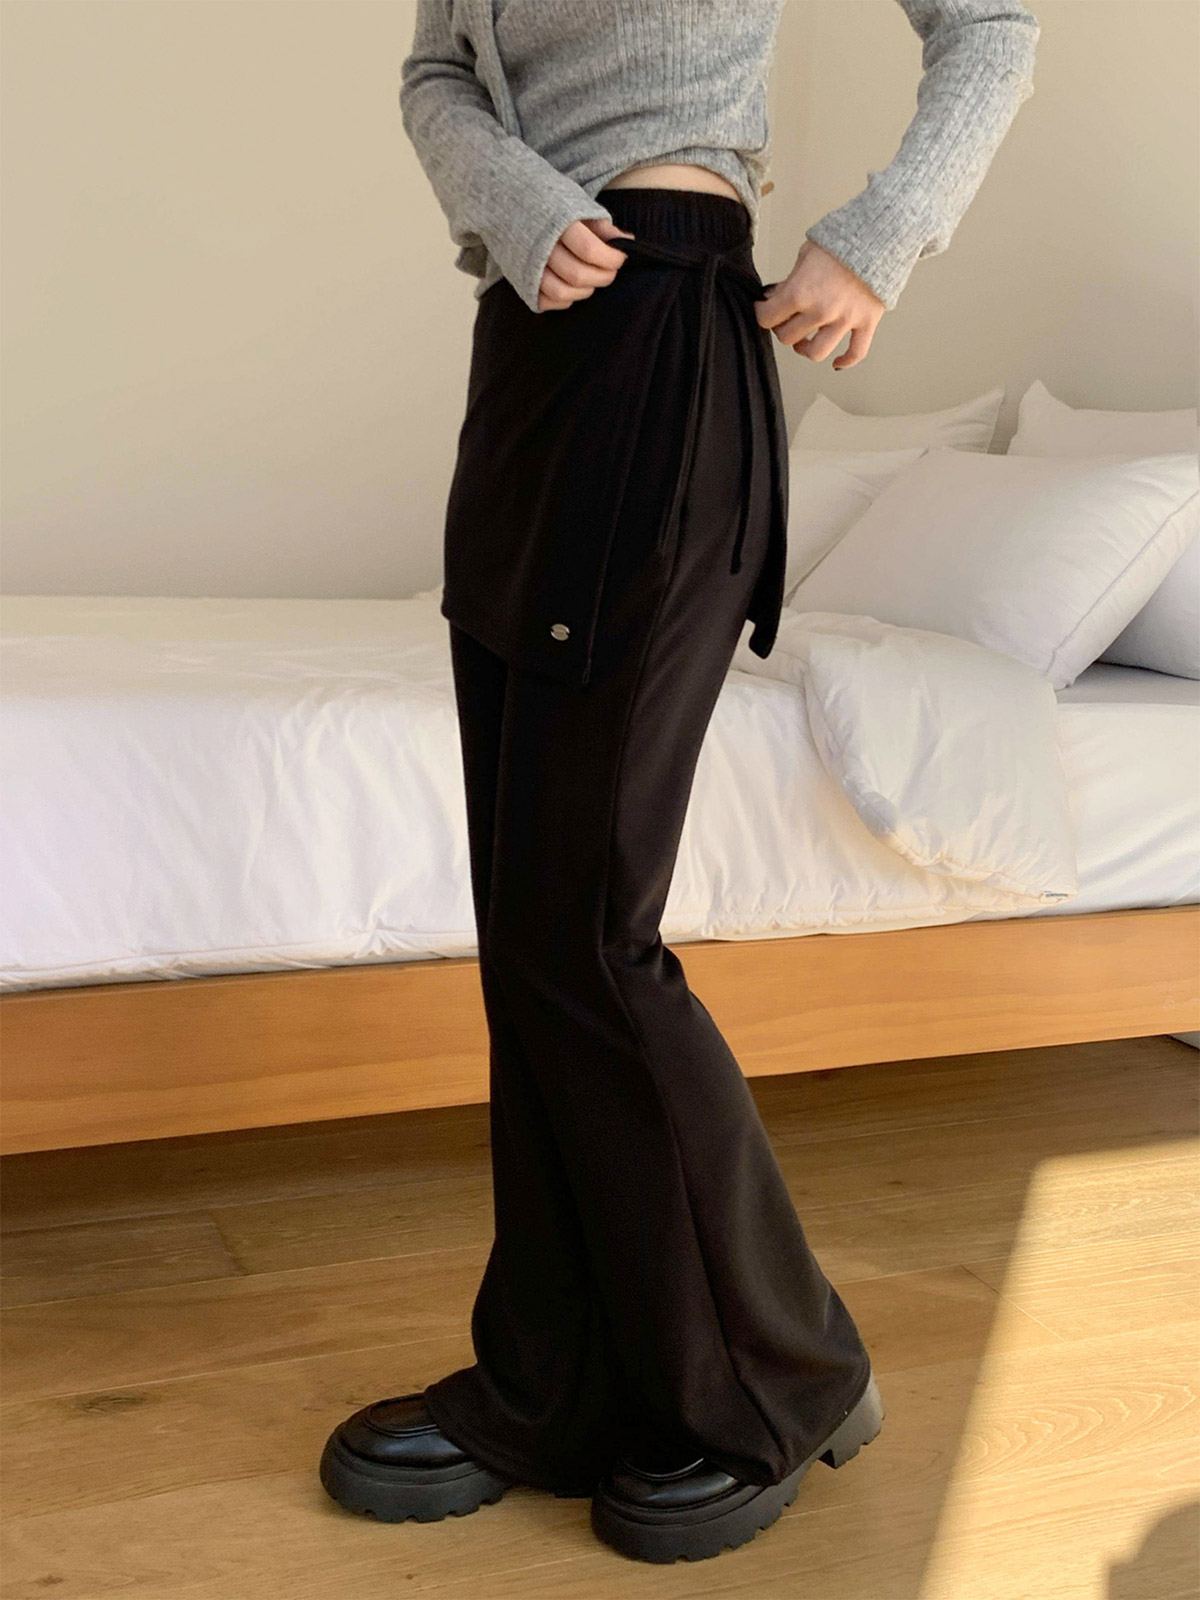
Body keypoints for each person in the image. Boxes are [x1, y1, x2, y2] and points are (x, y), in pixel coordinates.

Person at [320, 0, 1039, 1565]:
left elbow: (991, 25)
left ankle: (783, 1370)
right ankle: (555, 1380)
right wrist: (514, 203)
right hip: (529, 342)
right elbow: (439, 69)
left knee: (590, 929)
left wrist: (877, 240)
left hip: (661, 345)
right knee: (528, 928)